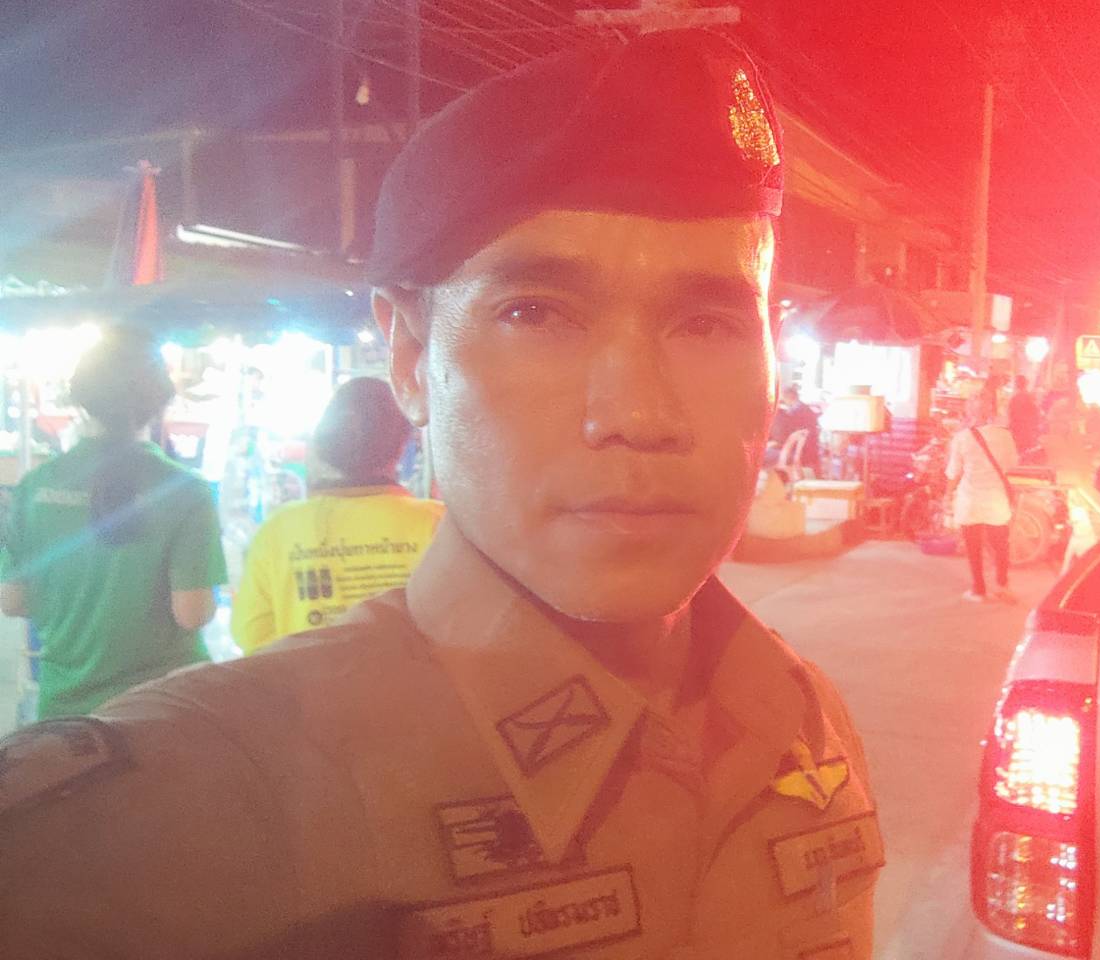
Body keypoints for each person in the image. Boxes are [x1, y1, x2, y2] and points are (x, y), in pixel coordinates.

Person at [0, 31, 880, 960]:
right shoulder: (174, 824)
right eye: (535, 313)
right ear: (412, 358)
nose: (637, 413)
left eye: (707, 323)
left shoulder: (803, 723)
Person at [0, 327, 226, 719]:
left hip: (66, 715)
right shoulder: (186, 490)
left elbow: (13, 600)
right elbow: (192, 613)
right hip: (159, 713)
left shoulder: (35, 486)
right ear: (160, 400)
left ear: (80, 397)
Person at [231, 376, 443, 653]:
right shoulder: (438, 524)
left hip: (309, 680)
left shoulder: (278, 530)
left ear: (322, 442)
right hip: (414, 680)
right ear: (403, 446)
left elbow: (251, 636)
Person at [946, 392, 1019, 603]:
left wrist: (947, 495)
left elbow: (954, 472)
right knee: (1000, 545)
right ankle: (1003, 586)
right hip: (996, 498)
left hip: (971, 499)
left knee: (973, 546)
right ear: (991, 411)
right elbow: (1011, 464)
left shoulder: (961, 438)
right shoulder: (1004, 436)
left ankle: (979, 590)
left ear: (969, 412)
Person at [768, 382, 821, 475]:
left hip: (800, 452)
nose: (782, 401)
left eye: (782, 398)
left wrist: (773, 443)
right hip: (807, 450)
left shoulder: (795, 413)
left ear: (788, 397)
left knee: (761, 455)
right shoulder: (803, 408)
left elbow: (784, 437)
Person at [1006, 373, 1041, 455]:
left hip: (1018, 430)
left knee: (1019, 451)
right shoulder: (1029, 397)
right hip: (1026, 430)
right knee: (1027, 451)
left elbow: (1011, 415)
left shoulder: (1014, 398)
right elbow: (1036, 414)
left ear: (1017, 384)